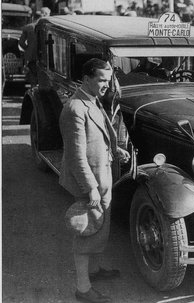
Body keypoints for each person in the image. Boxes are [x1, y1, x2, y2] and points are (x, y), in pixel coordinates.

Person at [59, 58, 130, 302]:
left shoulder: (91, 100)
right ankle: (83, 288)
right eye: (101, 80)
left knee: (98, 228)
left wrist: (114, 149)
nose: (106, 85)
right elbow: (77, 157)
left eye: (108, 80)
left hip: (102, 176)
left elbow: (97, 135)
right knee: (85, 232)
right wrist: (90, 189)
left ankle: (94, 270)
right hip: (88, 182)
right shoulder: (74, 108)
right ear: (86, 79)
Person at [18, 7, 51, 86]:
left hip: (31, 57)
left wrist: (28, 49)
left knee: (33, 78)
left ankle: (33, 93)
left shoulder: (28, 27)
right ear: (46, 14)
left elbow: (21, 42)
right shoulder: (49, 27)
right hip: (46, 57)